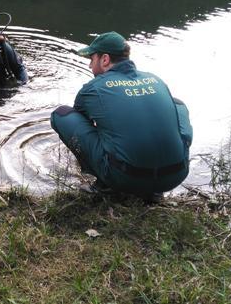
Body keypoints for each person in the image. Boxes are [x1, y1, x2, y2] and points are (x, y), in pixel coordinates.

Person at [50, 31, 192, 201]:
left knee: (61, 114)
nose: (89, 65)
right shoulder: (156, 80)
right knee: (177, 104)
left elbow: (83, 121)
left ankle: (104, 184)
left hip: (125, 179)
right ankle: (155, 188)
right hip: (175, 175)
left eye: (91, 59)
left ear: (104, 59)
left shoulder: (93, 88)